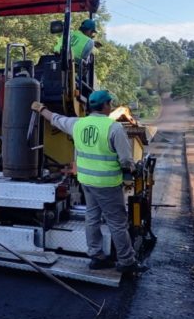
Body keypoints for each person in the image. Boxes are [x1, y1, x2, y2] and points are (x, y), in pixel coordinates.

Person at [31, 90, 148, 274]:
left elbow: (55, 119)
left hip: (87, 182)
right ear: (106, 106)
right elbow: (126, 160)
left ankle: (96, 257)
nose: (110, 106)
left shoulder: (78, 124)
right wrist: (130, 171)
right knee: (117, 223)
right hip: (108, 184)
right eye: (109, 103)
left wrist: (41, 109)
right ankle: (126, 261)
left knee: (92, 218)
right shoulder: (114, 128)